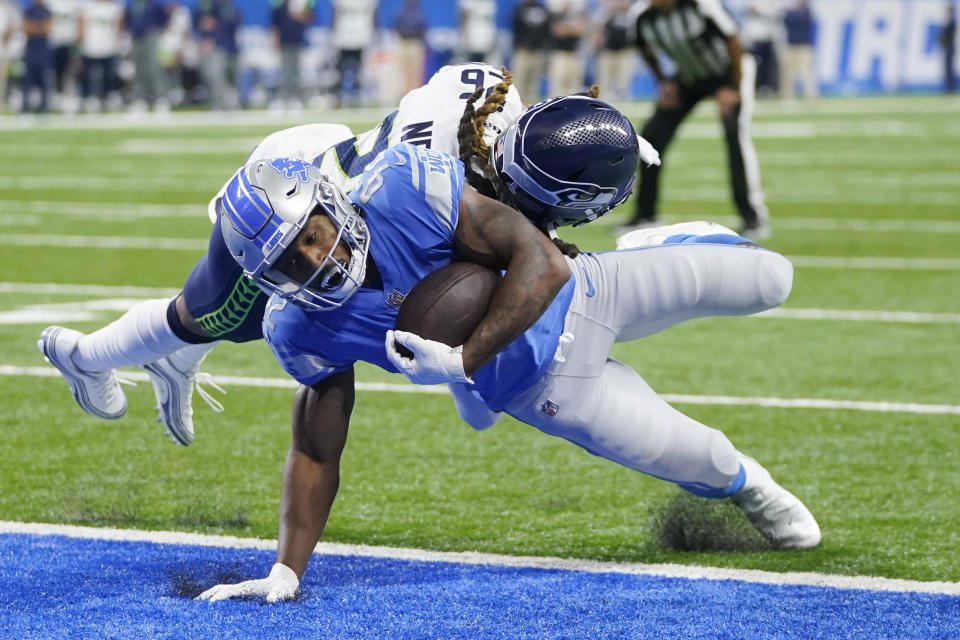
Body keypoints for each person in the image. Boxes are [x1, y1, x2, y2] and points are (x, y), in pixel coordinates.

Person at [194, 136, 820, 602]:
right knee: (708, 462)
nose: (315, 258)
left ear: (328, 201)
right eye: (289, 262)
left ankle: (659, 243)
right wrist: (286, 568)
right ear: (268, 280)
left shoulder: (402, 190)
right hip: (547, 389)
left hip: (585, 289)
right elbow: (315, 448)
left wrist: (463, 358)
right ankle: (751, 488)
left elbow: (542, 262)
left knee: (773, 278)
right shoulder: (297, 325)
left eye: (310, 234)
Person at [37, 63, 659, 446]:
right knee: (217, 315)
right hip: (294, 207)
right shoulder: (432, 162)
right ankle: (83, 355)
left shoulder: (500, 151)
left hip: (348, 229)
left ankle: (176, 363)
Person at [620, 0, 770, 239]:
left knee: (735, 135)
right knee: (652, 136)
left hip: (731, 70)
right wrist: (664, 81)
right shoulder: (642, 16)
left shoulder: (701, 5)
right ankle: (646, 213)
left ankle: (752, 216)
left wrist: (732, 86)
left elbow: (733, 39)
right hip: (689, 75)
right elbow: (642, 47)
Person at [77, 0, 124, 112]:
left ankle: (107, 97)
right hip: (90, 46)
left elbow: (119, 26)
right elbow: (81, 24)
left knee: (109, 75)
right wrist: (81, 40)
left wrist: (118, 42)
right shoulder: (87, 7)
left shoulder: (115, 8)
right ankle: (88, 98)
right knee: (87, 75)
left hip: (108, 47)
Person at [193, 0, 240, 110]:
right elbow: (198, 24)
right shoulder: (204, 5)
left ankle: (226, 105)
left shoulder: (226, 6)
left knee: (218, 76)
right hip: (206, 46)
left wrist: (214, 40)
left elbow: (229, 26)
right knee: (209, 76)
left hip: (223, 47)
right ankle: (216, 104)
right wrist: (202, 40)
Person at [125, 0, 169, 112]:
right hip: (135, 37)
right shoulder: (132, 4)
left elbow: (164, 18)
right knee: (139, 69)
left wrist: (156, 30)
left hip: (150, 36)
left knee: (154, 67)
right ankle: (140, 99)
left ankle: (161, 98)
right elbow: (127, 19)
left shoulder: (153, 3)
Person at [330, 0, 376, 107]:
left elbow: (373, 17)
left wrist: (372, 34)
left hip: (360, 37)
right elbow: (334, 15)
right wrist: (333, 34)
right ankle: (339, 97)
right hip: (343, 38)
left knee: (359, 70)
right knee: (340, 70)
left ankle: (356, 96)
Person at [269, 0, 314, 109]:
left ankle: (295, 98)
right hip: (285, 42)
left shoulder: (301, 5)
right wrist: (275, 39)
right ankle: (283, 98)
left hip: (297, 42)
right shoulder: (281, 6)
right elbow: (274, 24)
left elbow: (310, 18)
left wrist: (300, 14)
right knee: (285, 72)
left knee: (295, 71)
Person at [510, 0, 551, 103]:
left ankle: (531, 110)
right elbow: (516, 28)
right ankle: (518, 109)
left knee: (534, 84)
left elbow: (546, 29)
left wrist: (541, 44)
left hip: (536, 52)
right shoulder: (520, 9)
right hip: (522, 51)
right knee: (519, 82)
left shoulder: (542, 10)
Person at [595, 0, 634, 102]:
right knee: (605, 77)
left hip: (624, 50)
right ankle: (603, 99)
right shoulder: (606, 13)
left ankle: (622, 96)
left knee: (624, 77)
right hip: (608, 50)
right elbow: (597, 27)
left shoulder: (630, 14)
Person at [547, 0, 586, 96]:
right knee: (558, 82)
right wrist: (571, 28)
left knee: (574, 83)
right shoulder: (556, 15)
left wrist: (567, 28)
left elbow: (580, 30)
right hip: (560, 53)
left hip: (574, 53)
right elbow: (558, 31)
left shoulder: (578, 14)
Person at [780, 0, 817, 100]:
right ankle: (787, 96)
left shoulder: (807, 11)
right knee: (787, 74)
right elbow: (786, 20)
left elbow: (799, 20)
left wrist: (792, 13)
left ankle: (810, 96)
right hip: (790, 45)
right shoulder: (791, 11)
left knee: (806, 73)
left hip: (803, 46)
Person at [21, 0, 53, 113]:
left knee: (44, 80)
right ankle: (25, 108)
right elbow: (26, 29)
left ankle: (44, 107)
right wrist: (39, 26)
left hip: (43, 51)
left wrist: (34, 26)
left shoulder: (47, 11)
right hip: (31, 50)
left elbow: (47, 29)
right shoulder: (28, 10)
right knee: (27, 81)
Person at [392, 0, 426, 97]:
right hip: (403, 43)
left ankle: (414, 93)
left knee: (415, 71)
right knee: (401, 70)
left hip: (414, 43)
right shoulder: (401, 13)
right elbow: (396, 27)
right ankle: (401, 93)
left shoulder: (419, 14)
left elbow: (423, 29)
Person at [941, 3, 957, 94]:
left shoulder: (952, 22)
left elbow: (946, 36)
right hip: (947, 48)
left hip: (949, 48)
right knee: (947, 69)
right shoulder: (949, 22)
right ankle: (948, 87)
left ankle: (950, 88)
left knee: (949, 69)